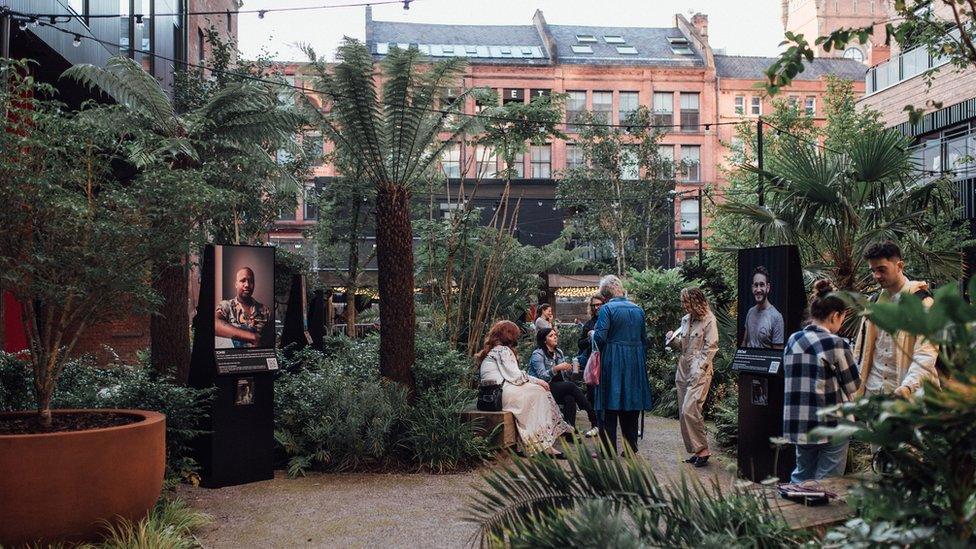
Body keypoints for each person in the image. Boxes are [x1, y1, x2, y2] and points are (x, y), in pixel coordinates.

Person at [783, 279, 861, 482]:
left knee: (802, 475)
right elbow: (853, 384)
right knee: (828, 481)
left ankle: (797, 512)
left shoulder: (793, 340)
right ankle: (821, 513)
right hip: (831, 423)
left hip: (799, 422)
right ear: (835, 315)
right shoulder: (836, 344)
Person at [854, 241, 940, 399]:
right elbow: (861, 351)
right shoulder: (872, 303)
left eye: (881, 269)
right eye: (873, 271)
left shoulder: (923, 303)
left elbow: (926, 354)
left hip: (909, 396)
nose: (876, 276)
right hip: (873, 393)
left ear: (899, 266)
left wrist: (908, 387)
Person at [478, 320, 572, 457]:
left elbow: (512, 376)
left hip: (493, 393)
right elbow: (516, 376)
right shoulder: (503, 350)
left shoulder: (494, 350)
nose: (517, 338)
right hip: (500, 392)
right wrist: (538, 381)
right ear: (509, 335)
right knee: (539, 392)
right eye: (515, 334)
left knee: (537, 392)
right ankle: (545, 443)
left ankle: (543, 439)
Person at [593, 275, 653, 455]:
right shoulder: (638, 309)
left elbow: (600, 337)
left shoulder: (607, 309)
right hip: (635, 360)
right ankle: (630, 447)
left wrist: (591, 336)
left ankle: (607, 450)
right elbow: (644, 339)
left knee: (608, 402)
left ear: (605, 296)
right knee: (631, 401)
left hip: (613, 359)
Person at [666, 287, 719, 467]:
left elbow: (711, 347)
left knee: (690, 409)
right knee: (683, 411)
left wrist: (700, 368)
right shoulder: (686, 319)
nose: (683, 305)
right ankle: (696, 451)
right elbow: (684, 346)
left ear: (695, 301)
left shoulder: (709, 320)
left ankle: (703, 449)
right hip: (683, 367)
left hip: (700, 369)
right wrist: (673, 340)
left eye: (685, 302)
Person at [529, 328, 599, 437]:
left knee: (569, 398)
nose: (555, 337)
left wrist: (569, 371)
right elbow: (542, 376)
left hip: (556, 387)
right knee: (570, 387)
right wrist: (556, 368)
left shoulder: (558, 352)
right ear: (544, 340)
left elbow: (564, 377)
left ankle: (570, 435)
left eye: (555, 334)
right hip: (541, 388)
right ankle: (592, 415)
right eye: (551, 335)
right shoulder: (538, 354)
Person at [215, 267, 272, 348]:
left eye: (251, 281)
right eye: (243, 280)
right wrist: (252, 337)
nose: (247, 285)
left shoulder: (265, 311)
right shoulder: (226, 306)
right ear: (236, 284)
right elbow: (215, 325)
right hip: (233, 358)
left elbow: (270, 341)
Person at [741, 266, 785, 349]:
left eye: (762, 285)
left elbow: (777, 355)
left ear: (767, 287)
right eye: (756, 285)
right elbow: (745, 342)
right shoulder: (750, 312)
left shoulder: (776, 317)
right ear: (752, 287)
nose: (758, 289)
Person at [577, 294, 605, 422]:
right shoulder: (589, 324)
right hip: (592, 363)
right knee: (592, 393)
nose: (596, 307)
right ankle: (595, 424)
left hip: (606, 362)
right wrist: (589, 339)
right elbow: (580, 344)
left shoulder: (607, 321)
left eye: (599, 304)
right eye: (594, 305)